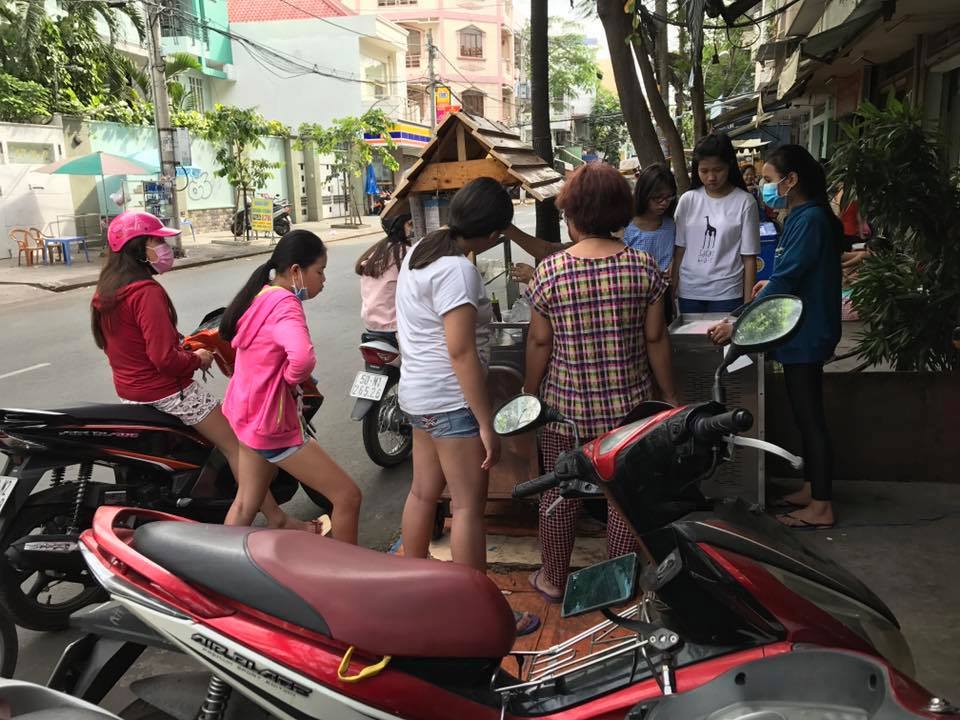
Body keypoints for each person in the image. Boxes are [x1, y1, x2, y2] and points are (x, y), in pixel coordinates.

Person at [91, 211, 310, 532]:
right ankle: (277, 518)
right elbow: (164, 359)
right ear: (138, 247)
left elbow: (127, 345)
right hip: (167, 391)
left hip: (131, 393)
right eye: (157, 241)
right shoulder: (145, 292)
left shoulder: (107, 291)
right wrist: (198, 359)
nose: (165, 248)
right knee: (237, 446)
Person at [523, 162, 678, 602]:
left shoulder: (550, 271)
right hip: (628, 413)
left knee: (560, 495)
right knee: (622, 498)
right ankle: (616, 583)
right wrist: (669, 395)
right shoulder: (643, 267)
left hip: (564, 413)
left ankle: (553, 579)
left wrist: (528, 394)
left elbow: (539, 342)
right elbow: (655, 338)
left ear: (572, 215)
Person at [395, 177, 539, 636]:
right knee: (467, 507)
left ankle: (410, 592)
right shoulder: (458, 270)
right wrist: (485, 423)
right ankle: (477, 613)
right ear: (494, 232)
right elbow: (461, 353)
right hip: (450, 401)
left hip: (417, 394)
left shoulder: (421, 253)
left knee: (422, 493)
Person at [707, 144, 842, 530]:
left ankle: (822, 507)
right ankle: (812, 487)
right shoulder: (799, 215)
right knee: (803, 415)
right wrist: (769, 285)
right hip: (799, 328)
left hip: (807, 332)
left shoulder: (811, 218)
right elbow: (792, 272)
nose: (764, 187)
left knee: (810, 417)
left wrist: (738, 323)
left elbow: (788, 278)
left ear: (791, 179)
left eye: (769, 180)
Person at [220, 230, 362, 542]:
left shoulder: (263, 295)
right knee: (347, 497)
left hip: (246, 414)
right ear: (296, 270)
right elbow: (302, 358)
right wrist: (289, 378)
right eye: (320, 271)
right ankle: (349, 570)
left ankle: (217, 565)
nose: (323, 280)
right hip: (270, 422)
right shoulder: (285, 304)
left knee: (245, 504)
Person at [673, 133, 760, 313]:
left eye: (718, 170)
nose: (711, 177)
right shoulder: (688, 200)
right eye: (704, 171)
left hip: (728, 294)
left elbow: (749, 258)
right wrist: (672, 291)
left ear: (730, 165)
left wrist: (747, 305)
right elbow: (679, 250)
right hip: (689, 292)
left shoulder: (745, 202)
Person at [355, 213, 413, 343]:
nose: (413, 229)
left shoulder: (376, 252)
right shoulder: (407, 252)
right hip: (394, 327)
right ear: (400, 226)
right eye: (410, 224)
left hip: (371, 325)